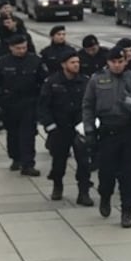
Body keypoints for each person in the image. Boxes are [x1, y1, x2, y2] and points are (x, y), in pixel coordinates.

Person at [82, 46, 131, 228]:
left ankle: (127, 212)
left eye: (120, 62)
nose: (117, 65)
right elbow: (88, 106)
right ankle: (105, 197)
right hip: (107, 133)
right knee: (106, 174)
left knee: (129, 176)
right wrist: (89, 130)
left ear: (125, 62)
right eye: (113, 62)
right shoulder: (97, 80)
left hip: (130, 133)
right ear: (108, 62)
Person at [0, 34, 49, 175]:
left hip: (29, 102)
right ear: (11, 48)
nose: (21, 51)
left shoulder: (35, 61)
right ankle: (16, 158)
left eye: (24, 47)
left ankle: (28, 164)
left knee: (28, 134)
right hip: (9, 103)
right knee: (13, 133)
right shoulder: (2, 62)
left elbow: (45, 83)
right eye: (18, 48)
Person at [37, 51, 93, 205]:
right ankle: (57, 185)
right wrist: (50, 126)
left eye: (77, 62)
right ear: (64, 65)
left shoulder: (85, 81)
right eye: (72, 62)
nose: (76, 65)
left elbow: (92, 104)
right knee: (59, 161)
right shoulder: (52, 82)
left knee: (83, 162)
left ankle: (84, 192)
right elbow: (43, 106)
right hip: (60, 129)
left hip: (79, 128)